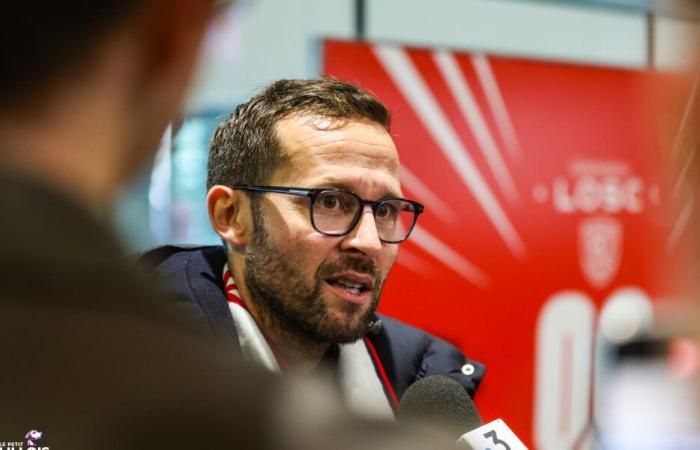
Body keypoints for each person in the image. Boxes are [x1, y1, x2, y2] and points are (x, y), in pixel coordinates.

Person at [140, 78, 485, 418]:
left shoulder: (418, 381)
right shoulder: (119, 372)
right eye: (330, 202)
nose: (368, 242)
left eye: (384, 211)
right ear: (231, 216)